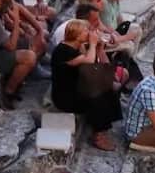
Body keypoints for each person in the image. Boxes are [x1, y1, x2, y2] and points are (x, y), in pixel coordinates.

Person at [51, 20, 122, 151]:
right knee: (98, 98)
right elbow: (89, 62)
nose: (89, 33)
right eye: (85, 31)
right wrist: (94, 45)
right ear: (77, 35)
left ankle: (104, 128)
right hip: (65, 96)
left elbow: (96, 65)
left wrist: (99, 48)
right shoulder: (63, 51)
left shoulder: (78, 47)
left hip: (78, 87)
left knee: (110, 89)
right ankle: (98, 136)